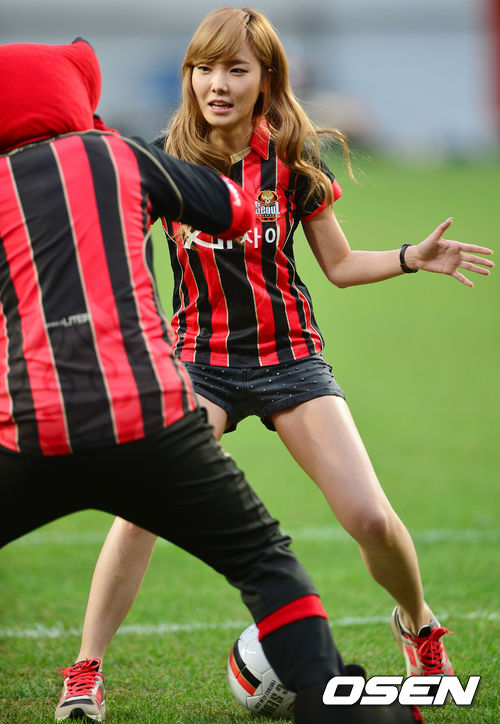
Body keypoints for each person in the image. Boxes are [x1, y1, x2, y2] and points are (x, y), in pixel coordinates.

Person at [57, 5, 494, 718]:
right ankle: (86, 670)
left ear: (265, 79)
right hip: (199, 363)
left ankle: (418, 624)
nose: (217, 84)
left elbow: (340, 266)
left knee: (370, 518)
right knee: (140, 512)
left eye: (236, 69)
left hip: (289, 358)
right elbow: (113, 249)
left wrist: (412, 257)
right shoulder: (161, 161)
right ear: (188, 76)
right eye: (204, 68)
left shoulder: (290, 161)